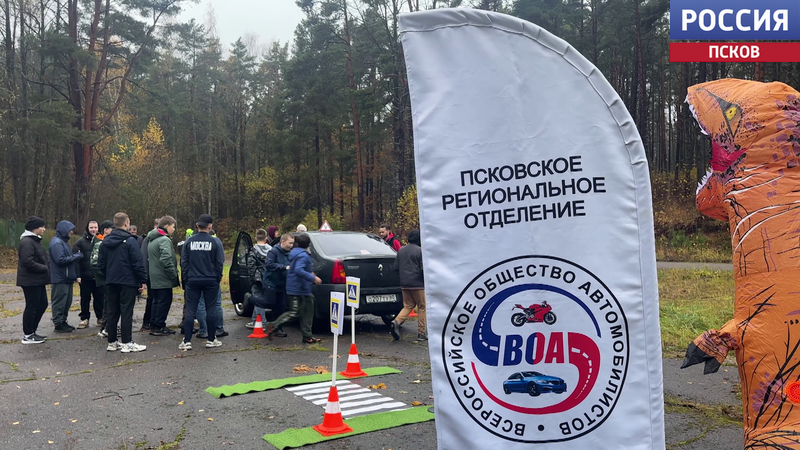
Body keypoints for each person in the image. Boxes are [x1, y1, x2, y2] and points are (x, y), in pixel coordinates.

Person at [97, 212, 148, 353]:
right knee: (126, 312)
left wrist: (109, 274)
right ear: (126, 223)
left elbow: (100, 264)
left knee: (112, 311)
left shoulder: (105, 242)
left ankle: (112, 342)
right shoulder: (130, 241)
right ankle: (127, 342)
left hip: (111, 281)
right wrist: (142, 280)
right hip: (127, 281)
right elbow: (137, 263)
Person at [265, 232, 321, 343]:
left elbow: (299, 269)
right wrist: (312, 277)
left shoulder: (295, 253)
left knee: (307, 310)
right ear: (309, 245)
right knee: (295, 312)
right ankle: (273, 325)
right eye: (289, 243)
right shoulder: (302, 255)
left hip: (302, 288)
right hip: (297, 288)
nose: (291, 245)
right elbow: (298, 270)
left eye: (292, 243)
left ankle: (307, 336)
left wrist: (310, 274)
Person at [180, 214, 224, 350]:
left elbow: (184, 262)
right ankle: (211, 339)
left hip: (192, 279)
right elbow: (219, 262)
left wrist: (185, 279)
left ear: (197, 225)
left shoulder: (188, 242)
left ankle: (187, 341)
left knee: (191, 310)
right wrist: (217, 278)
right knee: (211, 309)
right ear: (210, 226)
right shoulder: (215, 242)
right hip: (210, 279)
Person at [17, 216, 50, 344]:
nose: (44, 229)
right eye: (41, 226)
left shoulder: (34, 241)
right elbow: (27, 261)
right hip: (30, 281)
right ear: (34, 228)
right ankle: (28, 334)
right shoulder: (27, 242)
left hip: (37, 280)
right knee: (32, 306)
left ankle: (32, 331)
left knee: (42, 304)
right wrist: (44, 268)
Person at [390, 230, 426, 341]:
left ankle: (396, 321)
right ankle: (421, 333)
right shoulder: (420, 251)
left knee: (408, 306)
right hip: (418, 284)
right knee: (422, 307)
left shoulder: (401, 250)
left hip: (404, 283)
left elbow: (395, 267)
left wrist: (403, 276)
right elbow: (423, 268)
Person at [146, 216, 179, 336]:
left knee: (156, 301)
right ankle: (159, 326)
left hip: (154, 277)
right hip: (163, 277)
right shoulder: (164, 240)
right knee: (164, 301)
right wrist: (173, 275)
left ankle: (154, 324)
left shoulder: (152, 239)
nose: (174, 229)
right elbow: (166, 259)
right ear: (166, 226)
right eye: (173, 227)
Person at [49, 220, 83, 333]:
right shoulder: (57, 243)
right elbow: (60, 260)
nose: (71, 232)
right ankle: (58, 323)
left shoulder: (63, 242)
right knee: (60, 301)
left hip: (66, 277)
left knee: (66, 301)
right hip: (60, 278)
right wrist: (77, 256)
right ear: (64, 230)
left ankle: (63, 321)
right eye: (70, 230)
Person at [196, 229, 228, 339]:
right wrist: (218, 276)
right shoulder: (216, 242)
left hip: (197, 277)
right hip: (212, 277)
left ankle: (204, 330)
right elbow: (220, 261)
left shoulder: (193, 242)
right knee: (216, 304)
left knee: (200, 304)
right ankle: (218, 329)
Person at [73, 220, 103, 329]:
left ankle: (100, 317)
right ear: (87, 228)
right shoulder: (80, 242)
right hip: (85, 277)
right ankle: (84, 318)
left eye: (95, 227)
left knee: (99, 298)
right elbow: (76, 261)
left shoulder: (101, 241)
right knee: (85, 298)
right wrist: (78, 275)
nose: (93, 229)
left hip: (98, 276)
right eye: (91, 227)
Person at [244, 229, 272, 329]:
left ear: (255, 238)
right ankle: (254, 320)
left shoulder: (253, 251)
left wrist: (251, 279)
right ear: (266, 238)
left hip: (257, 278)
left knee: (258, 300)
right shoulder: (271, 250)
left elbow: (251, 267)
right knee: (261, 298)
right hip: (268, 278)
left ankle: (262, 322)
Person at [139, 216, 162, 332]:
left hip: (156, 273)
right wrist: (144, 277)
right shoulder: (148, 239)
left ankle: (153, 321)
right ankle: (147, 322)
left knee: (155, 298)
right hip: (150, 274)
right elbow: (144, 257)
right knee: (152, 298)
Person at [91, 220, 114, 337]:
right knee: (109, 302)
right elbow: (94, 263)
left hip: (106, 278)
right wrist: (106, 273)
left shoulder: (103, 242)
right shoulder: (99, 243)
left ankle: (106, 326)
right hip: (104, 279)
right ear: (105, 230)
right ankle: (106, 327)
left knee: (108, 302)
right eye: (112, 229)